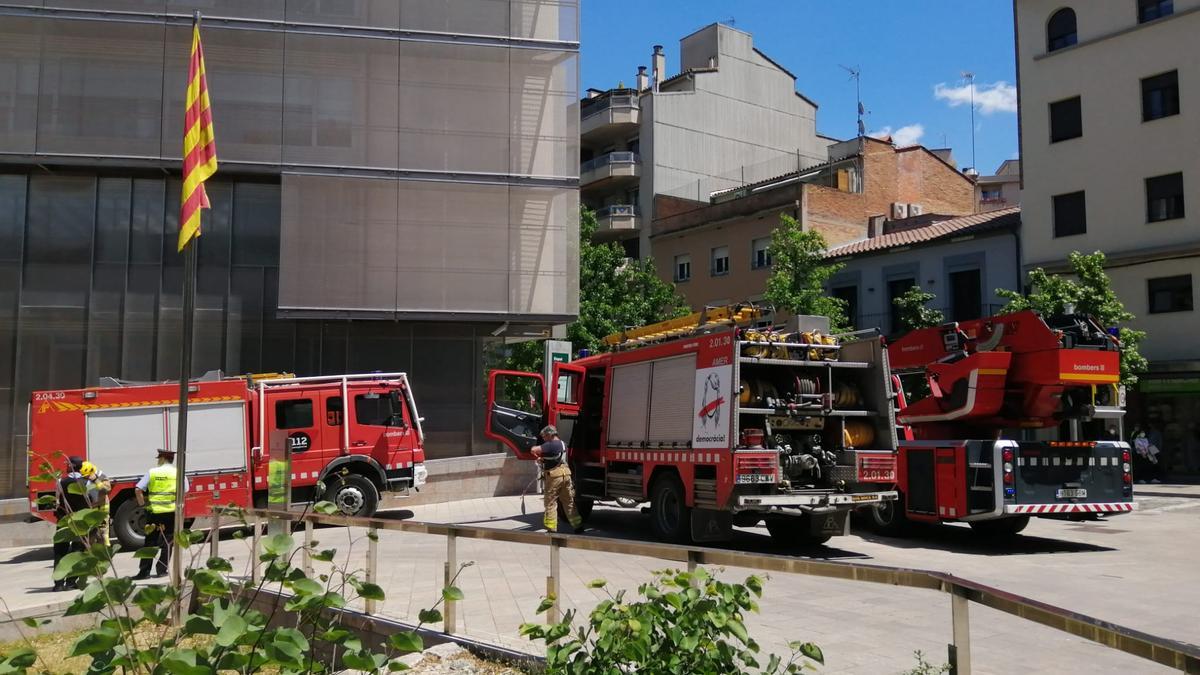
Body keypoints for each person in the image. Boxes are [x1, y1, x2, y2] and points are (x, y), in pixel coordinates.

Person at [134, 449, 188, 580]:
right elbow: (185, 490)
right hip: (170, 512)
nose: (158, 460)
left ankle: (144, 572)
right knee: (168, 541)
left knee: (150, 542)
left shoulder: (152, 472)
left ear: (163, 459)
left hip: (154, 513)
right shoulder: (178, 472)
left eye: (159, 458)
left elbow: (138, 490)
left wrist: (142, 506)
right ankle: (161, 570)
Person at [532, 425, 583, 534]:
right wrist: (544, 459)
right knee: (569, 502)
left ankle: (551, 529)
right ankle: (578, 526)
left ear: (550, 435)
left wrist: (536, 454)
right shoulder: (563, 444)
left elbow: (533, 449)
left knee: (550, 503)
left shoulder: (550, 444)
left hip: (554, 477)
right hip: (566, 475)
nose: (544, 439)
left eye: (545, 437)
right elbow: (555, 457)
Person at [52, 455, 89, 591]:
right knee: (77, 551)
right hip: (80, 521)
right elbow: (91, 501)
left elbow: (57, 502)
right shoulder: (86, 482)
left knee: (59, 551)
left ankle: (58, 584)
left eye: (67, 464)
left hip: (64, 520)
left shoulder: (60, 481)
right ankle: (71, 582)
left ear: (70, 466)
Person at [80, 461, 112, 548]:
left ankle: (105, 553)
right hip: (91, 509)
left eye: (86, 476)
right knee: (90, 536)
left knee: (103, 534)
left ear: (91, 471)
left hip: (101, 510)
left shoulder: (102, 477)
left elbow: (107, 490)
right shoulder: (85, 478)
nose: (85, 478)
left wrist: (96, 480)